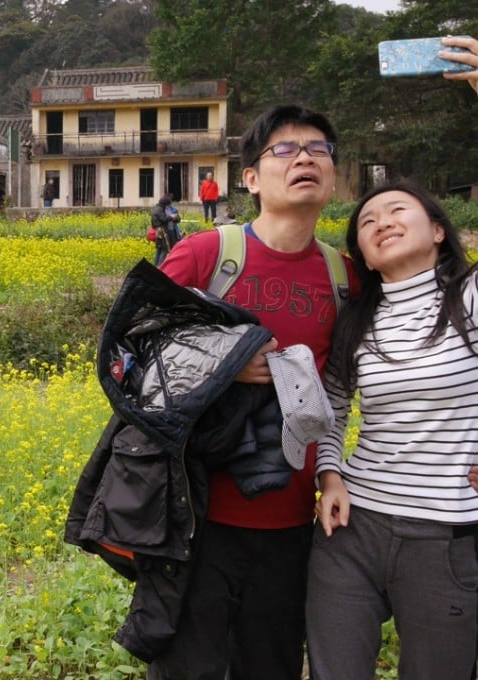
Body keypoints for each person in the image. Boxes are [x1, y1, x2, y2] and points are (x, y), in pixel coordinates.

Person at [146, 104, 354, 680]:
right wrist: (223, 366)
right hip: (197, 520)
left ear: (334, 177)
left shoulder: (345, 277)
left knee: (273, 666)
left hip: (292, 525)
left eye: (319, 150)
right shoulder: (208, 254)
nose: (306, 158)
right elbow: (130, 350)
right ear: (251, 179)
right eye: (284, 150)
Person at [306, 181, 478, 680]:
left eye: (398, 209)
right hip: (354, 530)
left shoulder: (469, 296)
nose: (382, 221)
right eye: (367, 221)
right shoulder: (356, 320)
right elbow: (333, 408)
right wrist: (330, 478)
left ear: (439, 230)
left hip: (445, 535)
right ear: (362, 254)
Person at [150, 194, 181, 266]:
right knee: (163, 250)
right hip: (162, 232)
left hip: (166, 231)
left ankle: (157, 266)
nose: (168, 206)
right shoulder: (159, 209)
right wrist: (171, 217)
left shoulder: (160, 208)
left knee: (161, 249)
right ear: (165, 204)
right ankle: (160, 267)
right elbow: (163, 219)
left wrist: (175, 218)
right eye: (168, 204)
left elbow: (178, 219)